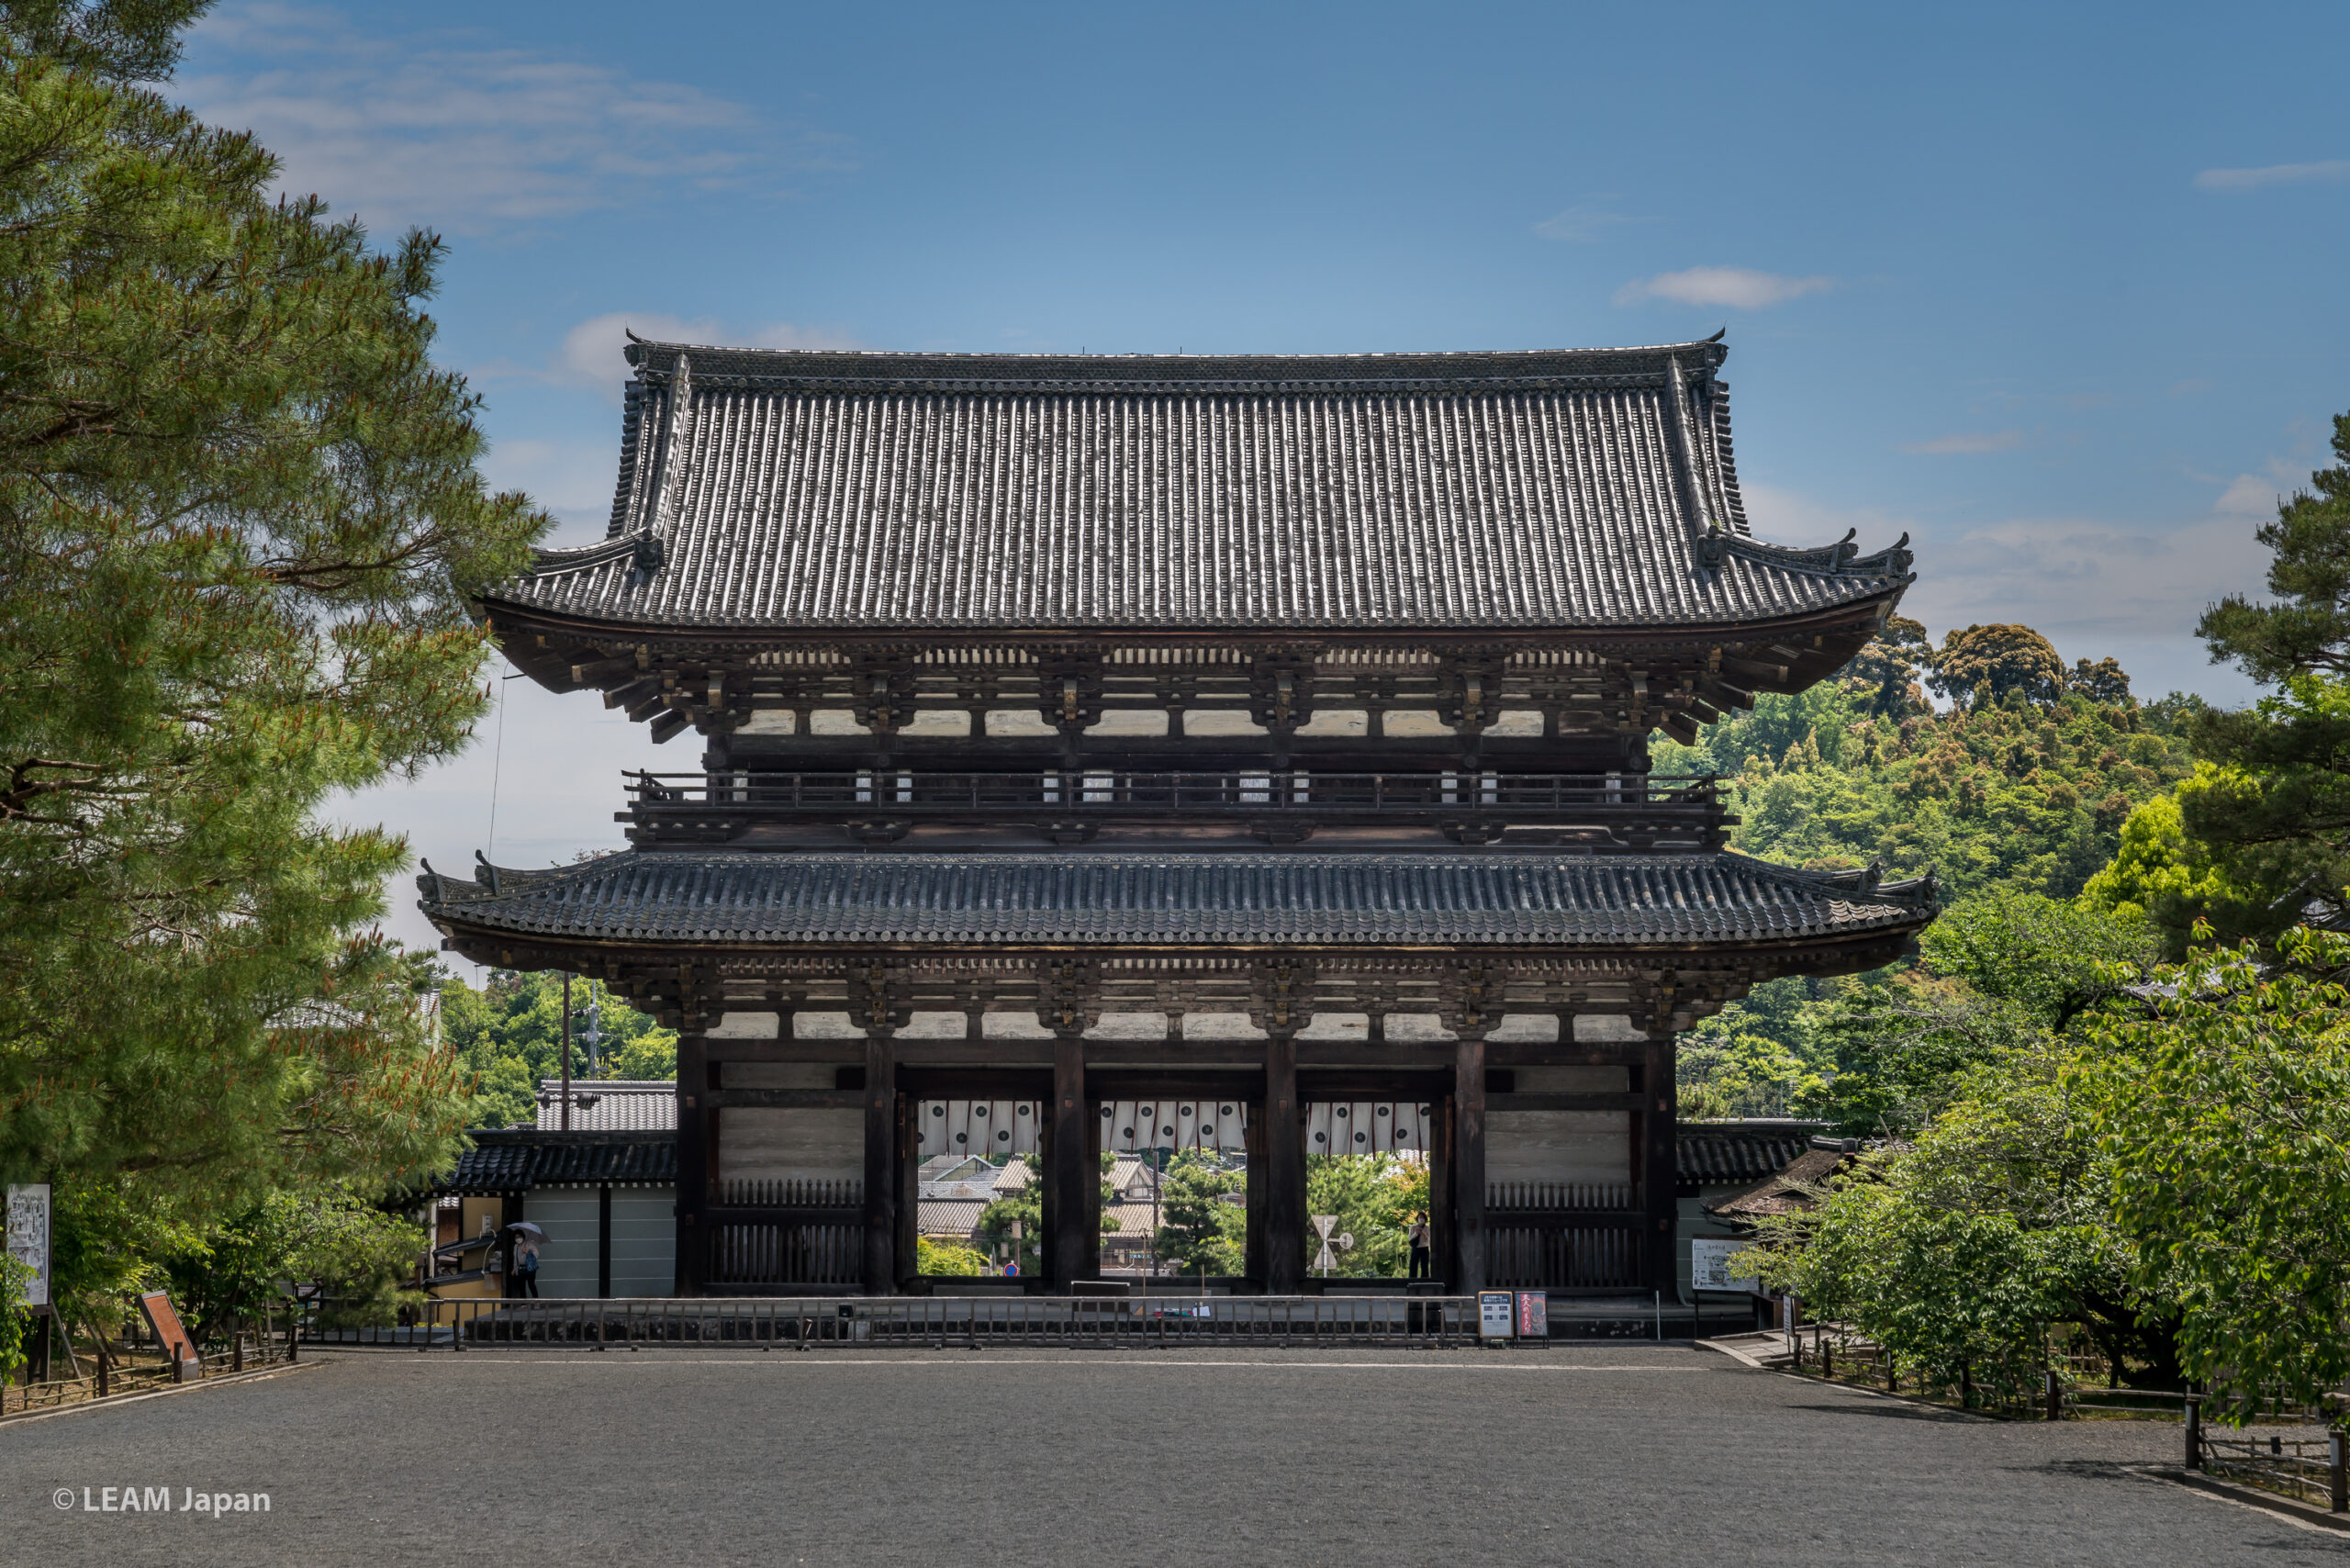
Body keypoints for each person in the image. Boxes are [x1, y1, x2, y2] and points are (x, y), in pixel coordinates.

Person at [513, 1230, 542, 1298]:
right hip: (521, 1269)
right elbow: (515, 1258)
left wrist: (528, 1252)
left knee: (531, 1285)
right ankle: (524, 1304)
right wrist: (514, 1268)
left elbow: (536, 1253)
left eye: (519, 1237)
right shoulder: (516, 1247)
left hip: (530, 1268)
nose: (518, 1239)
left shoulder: (529, 1244)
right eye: (516, 1237)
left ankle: (536, 1301)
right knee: (521, 1287)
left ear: (523, 1237)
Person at [1407, 1215, 1431, 1280]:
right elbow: (1410, 1238)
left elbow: (1429, 1239)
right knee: (1413, 1266)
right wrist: (1416, 1233)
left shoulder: (1427, 1228)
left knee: (1424, 1266)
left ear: (1425, 1219)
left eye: (1423, 1218)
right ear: (1417, 1219)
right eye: (1420, 1218)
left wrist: (1423, 1233)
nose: (1421, 1219)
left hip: (1424, 1248)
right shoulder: (1412, 1227)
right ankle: (1412, 1280)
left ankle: (1425, 1281)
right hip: (1415, 1248)